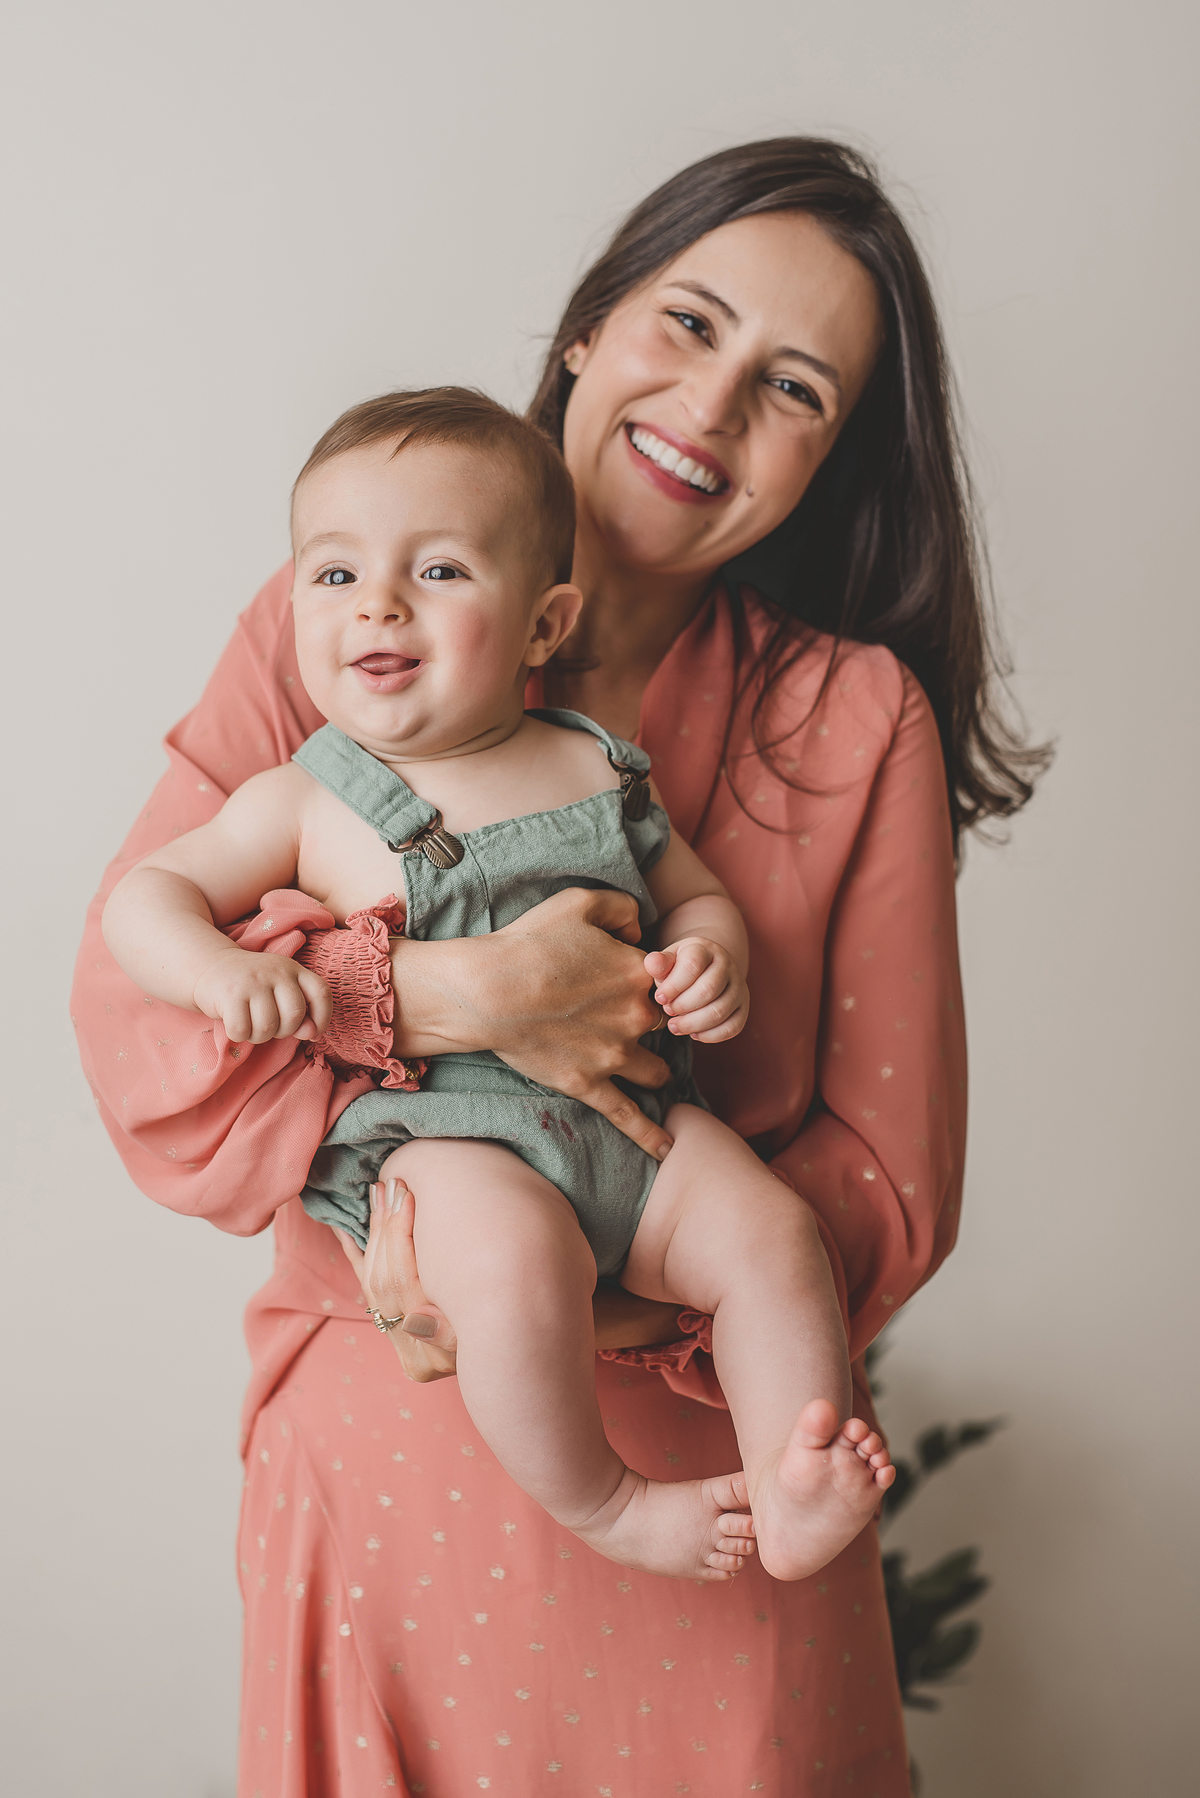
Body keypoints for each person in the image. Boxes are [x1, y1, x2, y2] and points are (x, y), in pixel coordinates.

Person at [72, 138, 1043, 1795]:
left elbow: (891, 1177)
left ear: (833, 455)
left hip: (729, 1496)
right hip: (392, 1445)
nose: (711, 406)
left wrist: (588, 1300)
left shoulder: (849, 714)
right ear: (591, 324)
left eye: (793, 387)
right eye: (689, 321)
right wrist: (437, 999)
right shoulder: (338, 618)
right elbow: (135, 1011)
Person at [102, 385, 898, 1589]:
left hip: (637, 1127)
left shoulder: (593, 763)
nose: (378, 602)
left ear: (542, 624)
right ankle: (607, 1501)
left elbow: (694, 894)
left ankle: (792, 1476)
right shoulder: (305, 798)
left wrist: (710, 955)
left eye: (438, 571)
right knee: (514, 1263)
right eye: (335, 573)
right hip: (447, 1140)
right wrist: (220, 968)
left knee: (772, 1230)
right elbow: (143, 900)